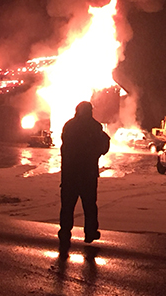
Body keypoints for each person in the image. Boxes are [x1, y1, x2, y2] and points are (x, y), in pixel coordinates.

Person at [58, 101, 110, 255]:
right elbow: (102, 146)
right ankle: (90, 232)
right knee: (89, 205)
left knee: (67, 206)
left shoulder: (69, 126)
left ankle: (65, 233)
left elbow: (65, 145)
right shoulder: (95, 127)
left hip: (70, 174)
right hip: (87, 174)